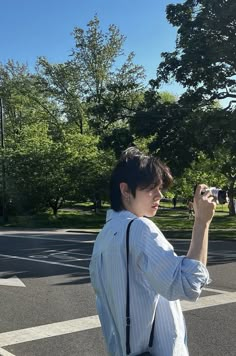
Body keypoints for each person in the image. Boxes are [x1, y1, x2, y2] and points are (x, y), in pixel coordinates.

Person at [89, 147, 216, 356]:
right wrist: (202, 222)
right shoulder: (140, 228)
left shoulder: (104, 235)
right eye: (151, 188)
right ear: (125, 190)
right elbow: (188, 285)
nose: (160, 195)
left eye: (160, 187)